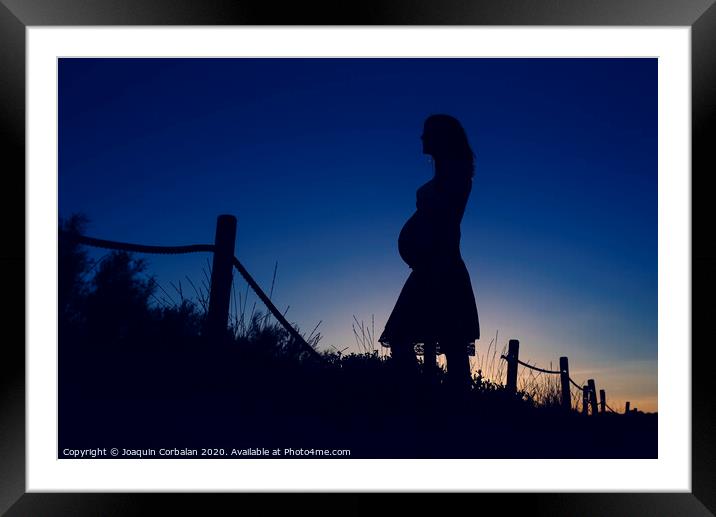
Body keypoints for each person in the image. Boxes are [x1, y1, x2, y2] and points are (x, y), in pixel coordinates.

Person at [379, 114, 480, 392]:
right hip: (426, 270)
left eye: (427, 133)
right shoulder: (445, 175)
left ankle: (447, 407)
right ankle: (421, 396)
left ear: (442, 137)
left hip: (442, 270)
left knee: (450, 343)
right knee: (405, 337)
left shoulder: (456, 175)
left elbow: (444, 223)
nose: (422, 138)